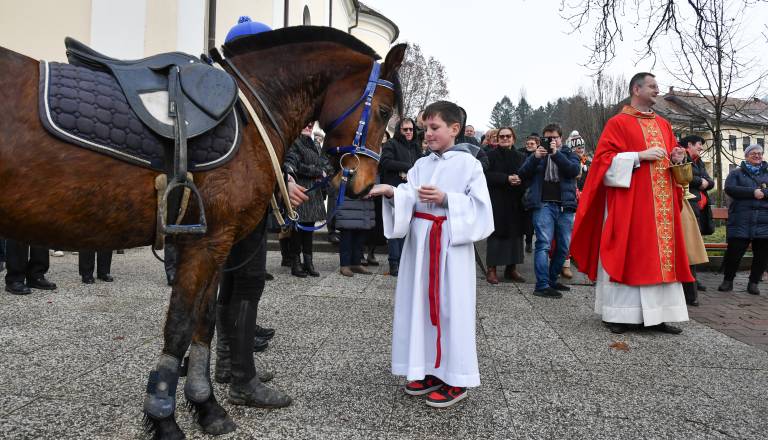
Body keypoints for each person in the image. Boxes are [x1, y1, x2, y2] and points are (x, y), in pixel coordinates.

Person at [368, 100, 494, 408]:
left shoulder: (469, 165)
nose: (428, 134)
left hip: (450, 244)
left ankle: (456, 379)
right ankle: (427, 369)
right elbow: (409, 195)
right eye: (426, 128)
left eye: (435, 128)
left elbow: (482, 210)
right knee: (420, 306)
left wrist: (447, 199)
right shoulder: (422, 165)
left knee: (450, 308)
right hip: (420, 247)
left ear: (455, 129)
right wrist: (392, 192)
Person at [570, 72, 692, 335]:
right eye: (652, 86)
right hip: (631, 204)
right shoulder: (618, 123)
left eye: (657, 86)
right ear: (636, 89)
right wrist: (638, 156)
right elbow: (602, 162)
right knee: (628, 253)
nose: (657, 90)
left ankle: (658, 316)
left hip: (661, 207)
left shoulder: (664, 125)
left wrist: (677, 157)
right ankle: (618, 315)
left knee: (660, 257)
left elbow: (672, 162)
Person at [518, 123, 581, 298]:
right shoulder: (537, 154)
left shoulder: (568, 153)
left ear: (561, 138)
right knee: (543, 244)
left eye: (554, 138)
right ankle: (542, 285)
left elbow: (573, 170)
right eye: (547, 138)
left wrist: (556, 154)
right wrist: (535, 157)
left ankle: (552, 280)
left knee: (563, 247)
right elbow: (522, 173)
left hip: (565, 206)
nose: (551, 141)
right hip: (543, 205)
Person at [717, 144, 768, 296]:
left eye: (759, 153)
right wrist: (753, 192)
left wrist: (764, 193)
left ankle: (753, 283)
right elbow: (730, 189)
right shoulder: (736, 173)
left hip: (764, 221)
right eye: (753, 153)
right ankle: (728, 281)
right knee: (734, 252)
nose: (757, 156)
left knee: (762, 255)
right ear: (746, 156)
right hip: (741, 220)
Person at [284, 123, 333, 277]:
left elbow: (326, 165)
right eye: (305, 124)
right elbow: (296, 165)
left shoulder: (315, 144)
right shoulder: (294, 142)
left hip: (314, 194)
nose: (308, 127)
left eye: (311, 125)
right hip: (300, 190)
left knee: (309, 230)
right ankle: (295, 263)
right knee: (297, 230)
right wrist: (318, 171)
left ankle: (308, 262)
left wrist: (325, 172)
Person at [379, 118, 422, 276]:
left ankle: (405, 261)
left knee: (408, 227)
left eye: (411, 129)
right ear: (399, 130)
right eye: (405, 129)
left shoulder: (416, 146)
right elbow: (385, 162)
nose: (409, 132)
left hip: (411, 191)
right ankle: (394, 262)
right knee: (396, 226)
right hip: (395, 191)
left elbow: (421, 166)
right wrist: (407, 168)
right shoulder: (391, 144)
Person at [484, 126, 526, 284]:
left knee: (515, 236)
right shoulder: (490, 156)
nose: (505, 138)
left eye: (508, 136)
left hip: (515, 201)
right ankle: (492, 269)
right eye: (502, 136)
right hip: (497, 200)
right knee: (496, 236)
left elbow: (526, 173)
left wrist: (520, 179)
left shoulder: (521, 156)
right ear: (497, 139)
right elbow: (485, 175)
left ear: (513, 138)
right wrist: (506, 179)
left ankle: (511, 268)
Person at [682, 135, 715, 305]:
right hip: (689, 208)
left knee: (696, 247)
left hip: (700, 210)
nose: (701, 148)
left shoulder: (699, 161)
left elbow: (710, 181)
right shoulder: (682, 157)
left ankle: (694, 280)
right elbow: (685, 177)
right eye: (699, 145)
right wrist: (700, 181)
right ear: (689, 144)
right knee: (690, 248)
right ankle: (690, 285)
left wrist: (705, 182)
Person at [336, 190, 376, 276]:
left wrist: (371, 190)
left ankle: (356, 263)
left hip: (364, 204)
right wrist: (362, 192)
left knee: (359, 238)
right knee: (346, 238)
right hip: (347, 202)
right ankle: (345, 265)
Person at [519, 135, 540, 253]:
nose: (529, 145)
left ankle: (529, 241)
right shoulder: (521, 155)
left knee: (531, 219)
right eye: (528, 143)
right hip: (523, 188)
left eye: (532, 144)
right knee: (526, 218)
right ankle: (526, 241)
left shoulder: (541, 156)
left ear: (537, 145)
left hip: (535, 189)